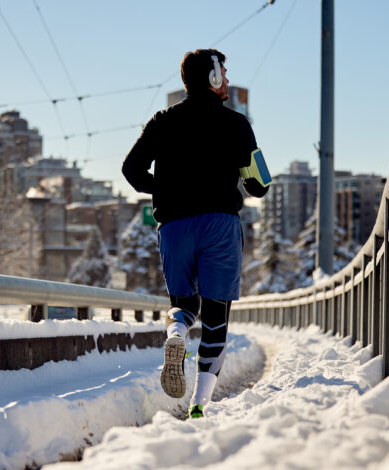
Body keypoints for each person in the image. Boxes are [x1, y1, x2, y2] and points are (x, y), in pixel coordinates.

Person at [122, 48, 270, 418]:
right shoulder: (237, 124)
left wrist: (165, 189)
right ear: (214, 77)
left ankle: (176, 335)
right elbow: (260, 186)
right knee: (216, 313)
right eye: (225, 73)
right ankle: (199, 404)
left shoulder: (161, 121)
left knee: (183, 304)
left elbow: (131, 168)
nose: (228, 81)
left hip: (174, 226)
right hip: (219, 224)